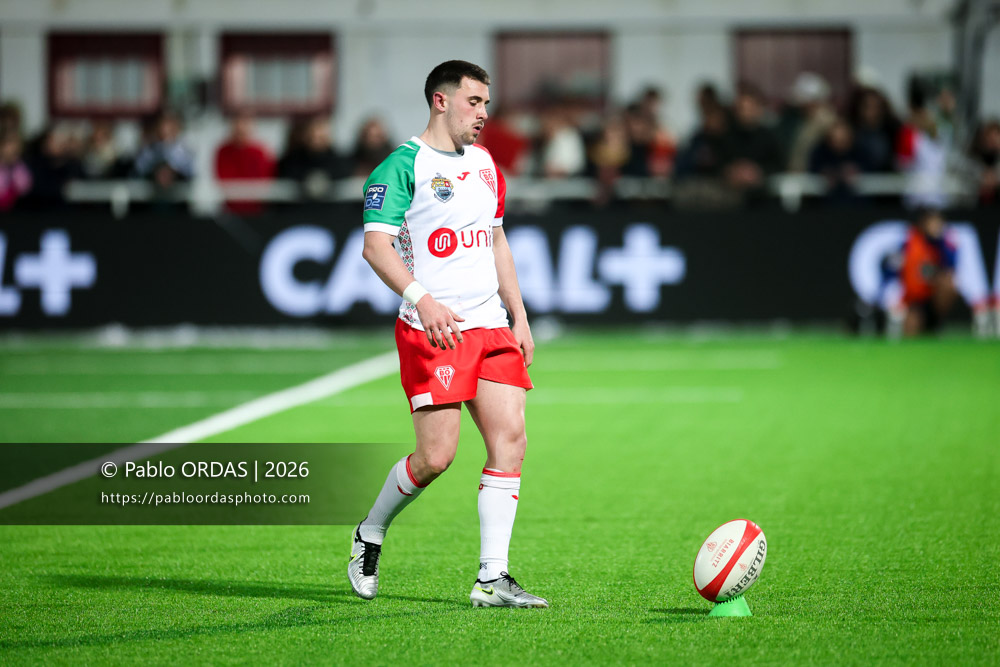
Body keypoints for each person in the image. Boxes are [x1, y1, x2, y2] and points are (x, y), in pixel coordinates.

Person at [350, 60, 546, 608]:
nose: (484, 113)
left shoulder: (486, 165)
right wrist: (422, 299)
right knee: (435, 459)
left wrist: (519, 313)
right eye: (474, 102)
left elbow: (497, 242)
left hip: (490, 325)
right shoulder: (401, 167)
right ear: (441, 101)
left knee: (511, 440)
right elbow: (375, 247)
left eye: (486, 103)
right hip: (432, 330)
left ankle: (492, 578)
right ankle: (369, 532)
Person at [898, 207, 958, 335]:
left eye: (939, 222)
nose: (936, 226)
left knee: (949, 283)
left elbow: (949, 268)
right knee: (911, 331)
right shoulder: (912, 243)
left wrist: (940, 243)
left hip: (932, 295)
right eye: (932, 222)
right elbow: (913, 273)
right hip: (915, 298)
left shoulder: (942, 244)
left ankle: (937, 321)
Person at [214, 112, 275, 216]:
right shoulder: (223, 151)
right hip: (230, 208)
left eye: (245, 125)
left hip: (257, 209)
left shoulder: (259, 152)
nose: (241, 128)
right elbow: (224, 178)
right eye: (237, 125)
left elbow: (264, 179)